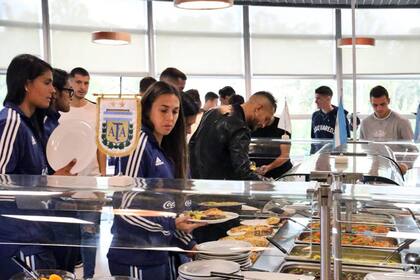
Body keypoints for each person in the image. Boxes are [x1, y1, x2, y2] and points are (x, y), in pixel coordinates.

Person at [108, 81, 204, 280]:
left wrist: (189, 243)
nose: (170, 118)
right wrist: (172, 225)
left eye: (175, 112)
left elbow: (170, 205)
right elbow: (126, 210)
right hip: (136, 257)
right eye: (163, 110)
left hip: (161, 253)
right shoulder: (139, 144)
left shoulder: (167, 148)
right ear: (147, 110)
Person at [0, 54, 75, 280]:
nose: (53, 90)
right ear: (25, 83)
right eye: (47, 82)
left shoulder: (29, 125)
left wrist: (54, 180)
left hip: (36, 236)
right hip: (20, 241)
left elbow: (29, 180)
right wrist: (51, 187)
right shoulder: (11, 122)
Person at [189, 91, 277, 180]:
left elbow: (192, 144)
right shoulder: (240, 127)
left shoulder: (213, 111)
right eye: (266, 119)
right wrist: (267, 183)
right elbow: (243, 172)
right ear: (258, 108)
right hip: (220, 187)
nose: (263, 125)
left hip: (198, 182)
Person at [360, 85, 415, 174]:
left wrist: (404, 165)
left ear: (388, 101)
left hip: (395, 170)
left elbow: (413, 149)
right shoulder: (365, 123)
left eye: (382, 104)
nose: (379, 108)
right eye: (375, 105)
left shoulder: (402, 122)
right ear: (370, 102)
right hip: (373, 170)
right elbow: (363, 148)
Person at [310, 86, 350, 153]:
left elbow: (346, 140)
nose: (315, 101)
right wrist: (312, 155)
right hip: (318, 155)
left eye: (318, 98)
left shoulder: (340, 116)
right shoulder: (315, 115)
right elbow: (313, 139)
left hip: (334, 156)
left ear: (328, 98)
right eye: (315, 98)